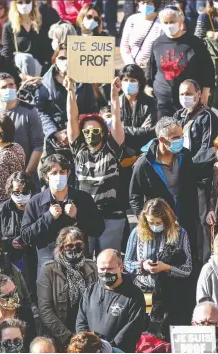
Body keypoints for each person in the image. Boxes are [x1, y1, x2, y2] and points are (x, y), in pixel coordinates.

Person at [67, 77, 126, 253]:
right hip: (84, 215)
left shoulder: (112, 148)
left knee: (108, 259)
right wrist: (70, 90)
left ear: (103, 131)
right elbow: (71, 118)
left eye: (95, 130)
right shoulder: (79, 150)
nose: (90, 134)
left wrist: (114, 94)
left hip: (111, 216)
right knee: (84, 262)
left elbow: (116, 119)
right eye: (86, 131)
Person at [19, 154, 104, 272]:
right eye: (54, 173)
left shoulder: (83, 198)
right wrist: (48, 217)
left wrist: (77, 216)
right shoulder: (36, 202)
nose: (59, 176)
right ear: (46, 176)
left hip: (78, 264)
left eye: (62, 172)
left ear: (68, 173)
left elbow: (98, 228)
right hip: (48, 266)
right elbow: (26, 236)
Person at [129, 117, 198, 260]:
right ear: (161, 139)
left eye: (181, 136)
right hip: (159, 223)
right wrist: (146, 221)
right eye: (175, 137)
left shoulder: (184, 155)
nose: (180, 140)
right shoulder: (143, 164)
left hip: (185, 220)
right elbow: (134, 196)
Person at [173, 79, 218, 262]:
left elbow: (208, 149)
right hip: (180, 178)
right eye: (182, 94)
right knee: (183, 221)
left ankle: (204, 262)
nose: (185, 97)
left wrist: (187, 166)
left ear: (199, 93)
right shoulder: (178, 115)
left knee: (202, 224)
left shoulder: (208, 116)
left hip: (201, 178)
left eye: (189, 93)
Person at [147, 6, 214, 116]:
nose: (169, 25)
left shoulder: (194, 43)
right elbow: (151, 68)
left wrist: (206, 92)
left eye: (172, 21)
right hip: (163, 100)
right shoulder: (157, 43)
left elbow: (208, 68)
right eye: (166, 22)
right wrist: (148, 86)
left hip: (188, 99)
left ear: (180, 20)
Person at [37, 227, 98, 348]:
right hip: (59, 336)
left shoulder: (92, 267)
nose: (74, 248)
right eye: (69, 245)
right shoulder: (48, 270)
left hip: (87, 334)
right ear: (61, 248)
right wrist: (68, 337)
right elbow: (45, 309)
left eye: (78, 244)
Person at [76, 249, 146, 353]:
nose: (105, 272)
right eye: (102, 269)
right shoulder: (90, 291)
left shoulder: (134, 294)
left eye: (110, 269)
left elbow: (133, 329)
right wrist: (88, 345)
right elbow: (81, 321)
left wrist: (108, 348)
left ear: (120, 267)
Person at [37, 43, 97, 159]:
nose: (66, 61)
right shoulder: (45, 84)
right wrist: (55, 133)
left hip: (81, 136)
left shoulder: (85, 82)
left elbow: (92, 109)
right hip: (55, 139)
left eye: (70, 57)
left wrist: (77, 129)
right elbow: (40, 111)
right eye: (62, 58)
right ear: (55, 60)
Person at [0, 73, 43, 181]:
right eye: (4, 87)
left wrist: (25, 175)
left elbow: (38, 146)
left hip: (26, 176)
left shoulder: (30, 111)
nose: (9, 89)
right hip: (0, 177)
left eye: (11, 85)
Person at [124, 198, 192, 292]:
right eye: (150, 223)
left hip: (169, 290)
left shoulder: (180, 233)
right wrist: (142, 265)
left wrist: (166, 268)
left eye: (158, 223)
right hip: (142, 288)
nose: (154, 226)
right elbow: (127, 263)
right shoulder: (137, 232)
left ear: (167, 220)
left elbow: (187, 269)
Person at [0, 172, 37, 297]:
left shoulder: (37, 206)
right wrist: (9, 242)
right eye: (17, 192)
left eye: (25, 192)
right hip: (11, 258)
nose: (21, 195)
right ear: (10, 191)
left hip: (34, 256)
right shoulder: (2, 209)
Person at [0, 274, 36, 352]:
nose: (15, 296)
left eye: (15, 291)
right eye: (9, 295)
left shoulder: (25, 313)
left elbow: (32, 347)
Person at [119, 64, 157, 153]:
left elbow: (149, 131)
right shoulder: (116, 103)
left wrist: (123, 128)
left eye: (132, 80)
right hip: (121, 150)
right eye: (125, 80)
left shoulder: (150, 103)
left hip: (144, 150)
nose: (128, 83)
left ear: (139, 83)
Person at [2, 0, 43, 77]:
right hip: (21, 71)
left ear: (33, 3)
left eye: (27, 1)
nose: (24, 5)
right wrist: (19, 74)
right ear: (15, 4)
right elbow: (7, 54)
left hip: (41, 69)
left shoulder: (41, 23)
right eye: (20, 2)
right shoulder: (8, 27)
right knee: (25, 58)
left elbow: (47, 49)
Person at [120, 0, 163, 67]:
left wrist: (149, 65)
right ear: (138, 4)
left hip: (152, 69)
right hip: (133, 69)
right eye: (142, 2)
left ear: (155, 4)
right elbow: (124, 45)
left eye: (148, 2)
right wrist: (130, 64)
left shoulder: (162, 22)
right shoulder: (132, 20)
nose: (145, 5)